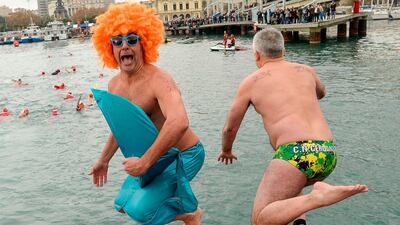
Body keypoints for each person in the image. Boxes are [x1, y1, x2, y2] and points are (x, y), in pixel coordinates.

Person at [217, 28, 368, 225]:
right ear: (283, 50)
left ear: (256, 54)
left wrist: (226, 150)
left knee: (260, 219)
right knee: (293, 184)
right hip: (327, 153)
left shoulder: (251, 82)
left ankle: (317, 197)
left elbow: (230, 127)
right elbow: (321, 92)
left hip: (295, 153)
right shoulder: (306, 70)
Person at [89, 3, 205, 225]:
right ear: (110, 48)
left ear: (143, 44)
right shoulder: (114, 85)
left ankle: (190, 215)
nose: (124, 46)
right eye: (117, 41)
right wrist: (103, 160)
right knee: (122, 205)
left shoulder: (159, 80)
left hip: (186, 154)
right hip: (158, 158)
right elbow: (120, 127)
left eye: (132, 40)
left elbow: (179, 122)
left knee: (142, 212)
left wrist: (144, 163)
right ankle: (179, 208)